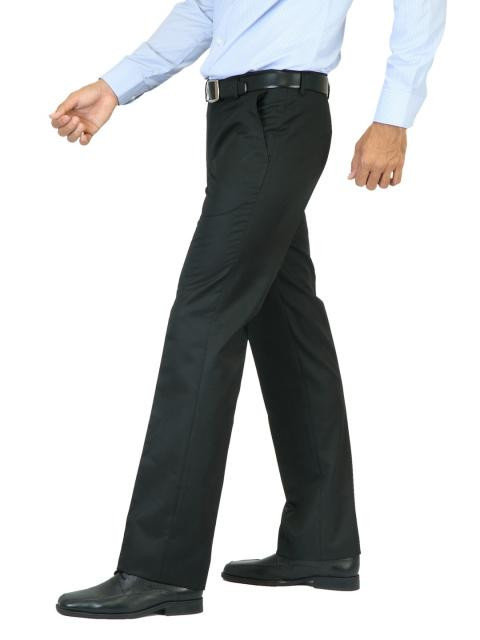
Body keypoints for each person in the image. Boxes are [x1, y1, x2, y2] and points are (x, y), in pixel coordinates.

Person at [50, 0, 447, 619]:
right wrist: (115, 86)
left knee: (203, 320)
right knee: (286, 321)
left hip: (280, 113)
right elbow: (207, 9)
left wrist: (393, 116)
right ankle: (322, 545)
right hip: (234, 120)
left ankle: (160, 569)